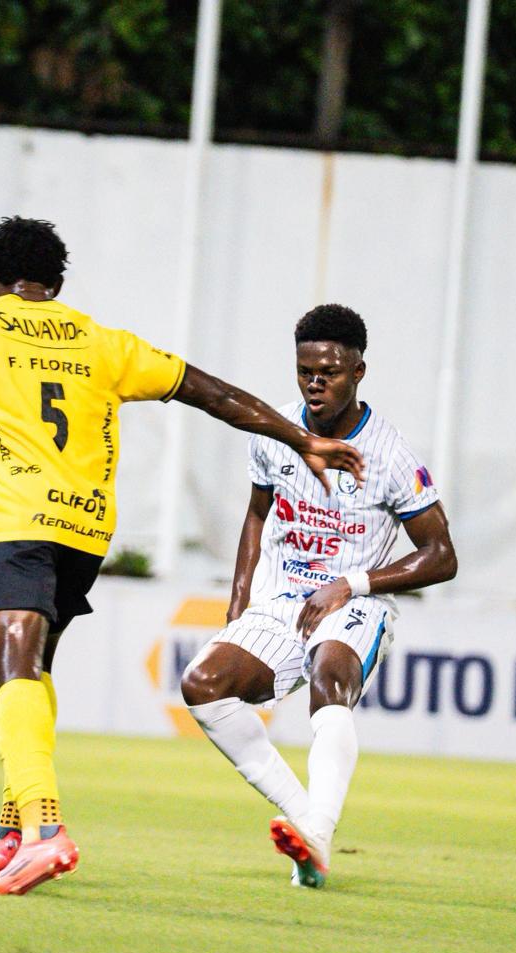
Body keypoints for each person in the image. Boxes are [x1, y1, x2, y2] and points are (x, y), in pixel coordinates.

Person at [0, 217, 365, 897]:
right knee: (30, 670)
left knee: (12, 665)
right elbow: (214, 394)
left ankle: (44, 832)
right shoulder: (100, 342)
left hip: (14, 524)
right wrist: (298, 439)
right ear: (60, 284)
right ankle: (11, 833)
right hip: (84, 534)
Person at [181, 303, 457, 888]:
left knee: (330, 678)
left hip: (354, 601)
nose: (314, 381)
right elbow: (258, 514)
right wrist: (238, 602)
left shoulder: (390, 456)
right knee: (202, 685)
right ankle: (307, 821)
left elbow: (441, 557)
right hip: (282, 601)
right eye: (305, 369)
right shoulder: (276, 433)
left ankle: (318, 830)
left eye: (329, 371)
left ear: (358, 372)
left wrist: (352, 584)